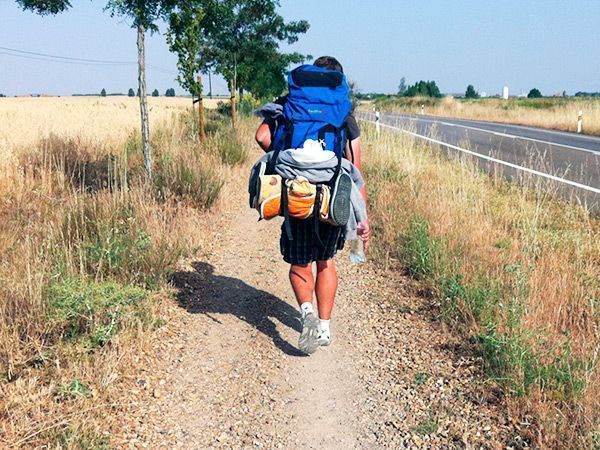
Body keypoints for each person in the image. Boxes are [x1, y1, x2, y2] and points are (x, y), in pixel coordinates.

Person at [254, 56, 371, 354]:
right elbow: (355, 168)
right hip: (331, 196)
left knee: (299, 263)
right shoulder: (343, 110)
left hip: (296, 192)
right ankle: (323, 327)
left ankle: (306, 311)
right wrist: (361, 221)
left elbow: (262, 136)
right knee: (325, 262)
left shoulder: (293, 101)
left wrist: (286, 156)